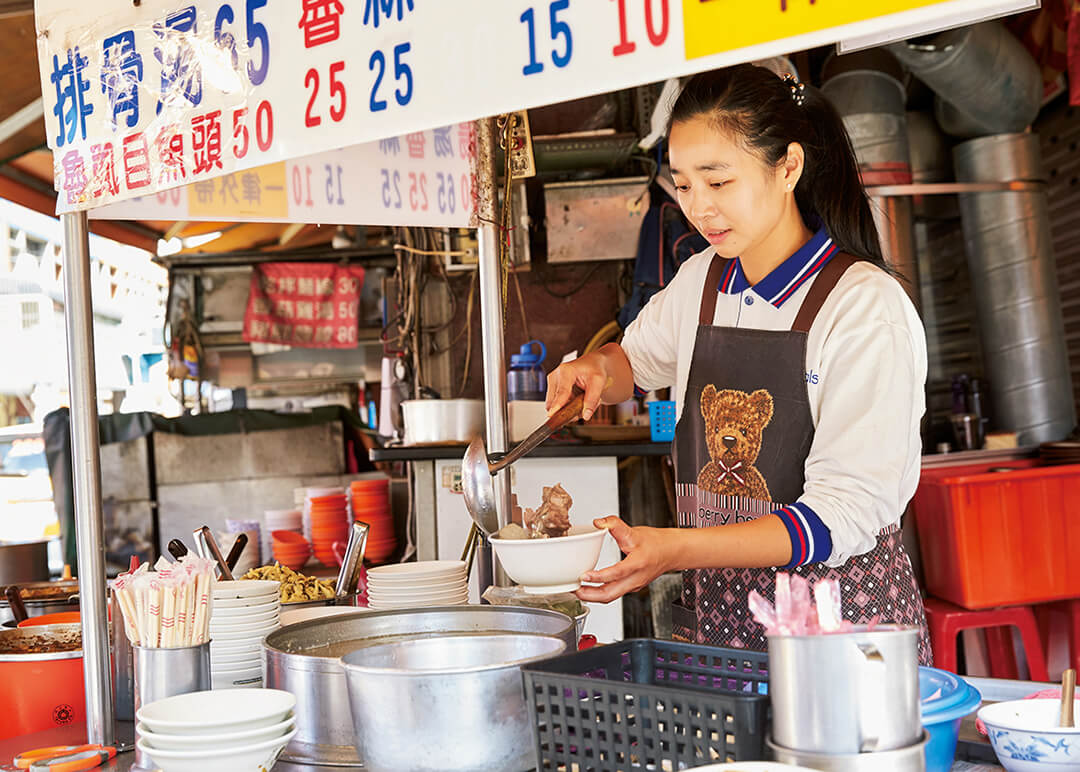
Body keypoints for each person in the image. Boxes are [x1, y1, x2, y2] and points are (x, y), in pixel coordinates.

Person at [545, 64, 931, 662]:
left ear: (789, 168)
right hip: (721, 626)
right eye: (684, 184)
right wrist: (596, 367)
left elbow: (839, 515)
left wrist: (675, 550)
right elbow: (635, 361)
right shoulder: (702, 279)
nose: (699, 207)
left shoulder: (862, 308)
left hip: (839, 633)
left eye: (718, 181)